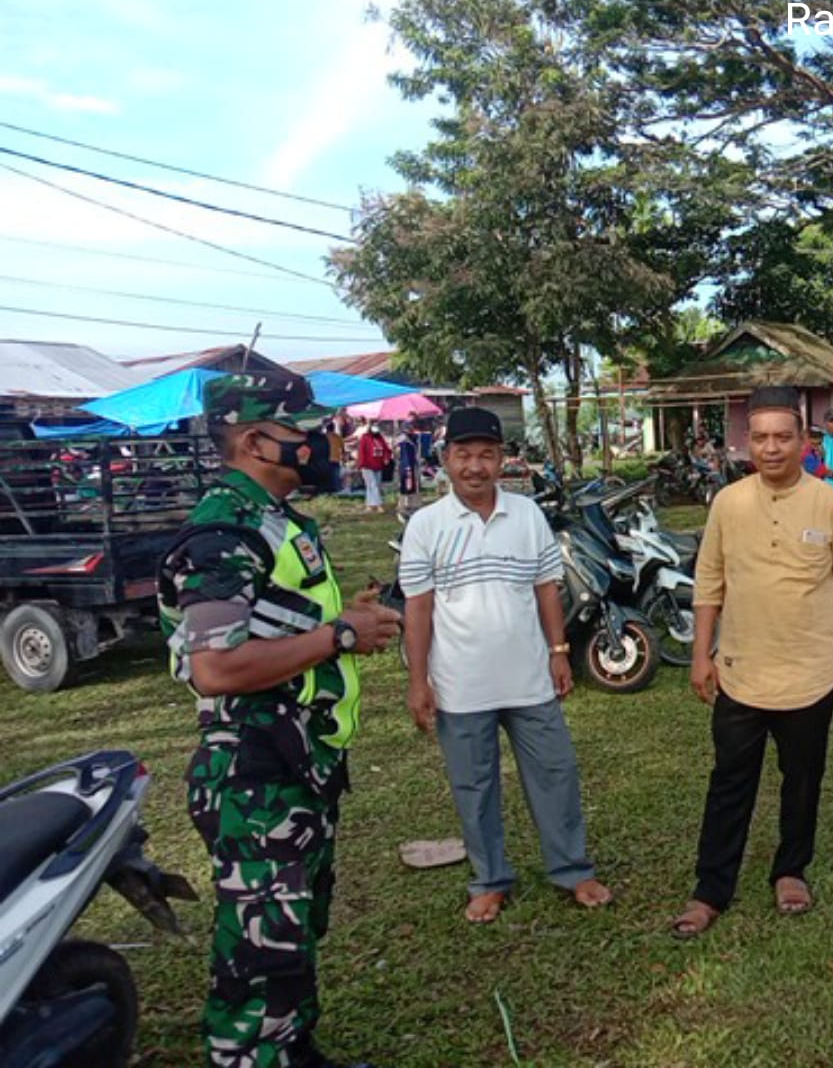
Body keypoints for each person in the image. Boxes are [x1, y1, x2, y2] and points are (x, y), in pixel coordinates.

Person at [158, 374, 401, 1068]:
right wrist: (340, 637)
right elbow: (217, 666)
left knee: (290, 931)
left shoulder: (279, 520)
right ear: (256, 440)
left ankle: (293, 1051)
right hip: (254, 774)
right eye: (306, 430)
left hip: (297, 765)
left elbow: (269, 625)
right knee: (260, 946)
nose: (324, 442)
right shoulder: (224, 532)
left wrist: (338, 620)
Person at [399, 406, 612, 925]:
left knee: (555, 773)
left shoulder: (528, 515)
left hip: (529, 679)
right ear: (445, 460)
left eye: (486, 455)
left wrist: (559, 652)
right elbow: (418, 607)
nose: (475, 466)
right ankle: (489, 880)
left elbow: (546, 588)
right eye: (464, 455)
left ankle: (571, 869)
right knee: (475, 786)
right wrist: (418, 680)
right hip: (459, 684)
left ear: (502, 460)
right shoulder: (426, 526)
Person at [671, 385, 833, 939]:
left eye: (783, 437)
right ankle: (711, 889)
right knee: (729, 781)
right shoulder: (728, 504)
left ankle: (790, 870)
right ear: (746, 442)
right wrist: (700, 655)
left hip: (809, 673)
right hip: (739, 669)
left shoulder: (831, 505)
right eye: (760, 438)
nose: (771, 448)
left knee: (802, 778)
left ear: (804, 441)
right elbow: (709, 581)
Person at [356, 423, 391, 513]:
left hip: (378, 465)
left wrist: (386, 458)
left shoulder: (380, 438)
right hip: (367, 465)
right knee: (372, 485)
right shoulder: (365, 438)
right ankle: (378, 504)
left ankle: (370, 505)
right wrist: (360, 464)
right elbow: (361, 451)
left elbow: (386, 449)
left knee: (375, 486)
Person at [396, 425, 420, 514]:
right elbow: (397, 453)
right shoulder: (403, 440)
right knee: (406, 485)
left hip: (410, 464)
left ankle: (410, 503)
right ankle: (404, 504)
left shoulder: (412, 440)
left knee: (410, 485)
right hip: (406, 465)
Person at [324, 420, 346, 495]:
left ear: (326, 428)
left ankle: (327, 489)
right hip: (336, 459)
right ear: (333, 428)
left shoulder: (323, 437)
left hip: (325, 459)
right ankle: (337, 489)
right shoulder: (338, 437)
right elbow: (343, 449)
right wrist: (343, 458)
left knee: (326, 475)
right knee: (336, 475)